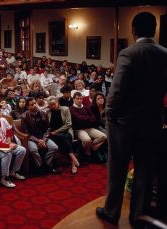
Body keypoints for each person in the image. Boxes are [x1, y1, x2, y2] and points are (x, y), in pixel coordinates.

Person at [96, 12, 167, 226]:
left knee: (117, 170)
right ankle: (138, 215)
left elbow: (116, 92)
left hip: (123, 124)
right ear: (154, 29)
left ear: (133, 30)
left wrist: (109, 116)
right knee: (144, 171)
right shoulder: (165, 53)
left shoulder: (129, 53)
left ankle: (112, 212)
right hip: (152, 122)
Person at [0, 104, 26, 188]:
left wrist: (9, 141)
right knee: (7, 154)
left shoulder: (3, 120)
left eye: (0, 111)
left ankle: (14, 172)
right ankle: (4, 178)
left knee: (22, 150)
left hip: (5, 144)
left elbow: (9, 130)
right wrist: (8, 146)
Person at [21, 97, 59, 174]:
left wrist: (43, 139)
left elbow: (48, 128)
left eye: (35, 103)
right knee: (33, 150)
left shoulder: (43, 113)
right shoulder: (24, 116)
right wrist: (38, 140)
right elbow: (26, 133)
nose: (34, 105)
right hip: (31, 138)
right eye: (32, 104)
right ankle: (40, 166)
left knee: (54, 147)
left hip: (43, 137)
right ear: (28, 107)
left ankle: (47, 164)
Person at [47, 96, 80, 174]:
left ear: (58, 103)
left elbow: (68, 124)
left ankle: (73, 163)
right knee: (62, 138)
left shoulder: (65, 109)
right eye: (51, 105)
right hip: (53, 134)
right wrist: (54, 132)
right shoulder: (48, 112)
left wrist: (57, 131)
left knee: (64, 137)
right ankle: (73, 159)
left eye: (54, 104)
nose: (53, 106)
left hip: (66, 131)